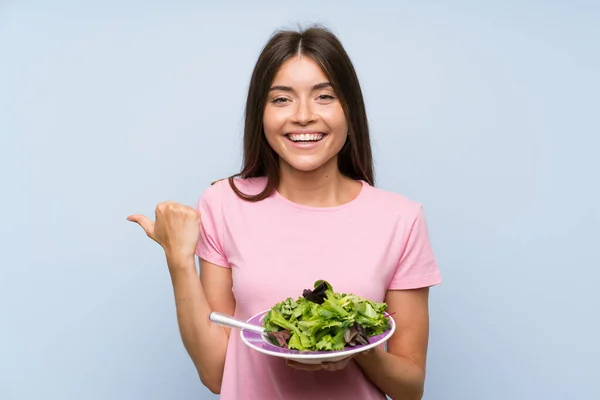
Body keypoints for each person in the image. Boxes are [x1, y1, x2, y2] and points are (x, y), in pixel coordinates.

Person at [127, 25, 442, 400]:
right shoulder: (223, 204)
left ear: (350, 109)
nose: (304, 116)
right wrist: (178, 259)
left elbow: (410, 387)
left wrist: (356, 346)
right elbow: (215, 374)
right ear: (260, 113)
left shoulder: (400, 219)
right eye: (281, 99)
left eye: (324, 96)